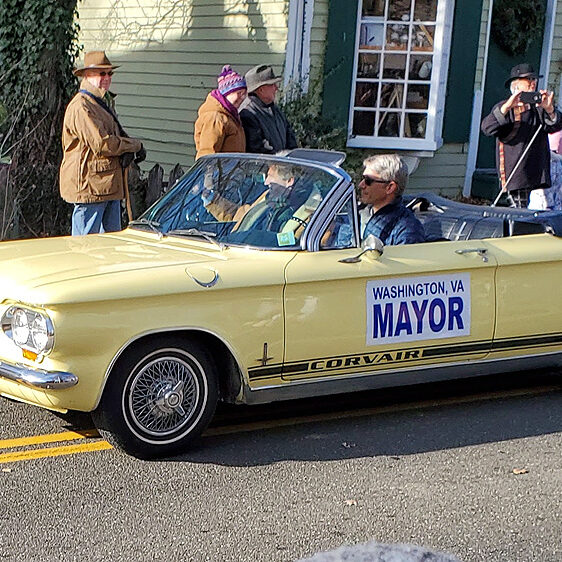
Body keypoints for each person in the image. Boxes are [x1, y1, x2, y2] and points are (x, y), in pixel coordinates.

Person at [60, 51, 146, 236]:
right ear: (86, 75)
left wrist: (129, 147)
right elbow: (102, 143)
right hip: (90, 188)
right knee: (85, 246)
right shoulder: (81, 106)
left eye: (109, 73)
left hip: (108, 186)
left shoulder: (98, 102)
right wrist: (134, 146)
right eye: (101, 73)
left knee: (109, 246)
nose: (107, 78)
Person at [481, 63, 562, 208]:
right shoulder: (505, 107)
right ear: (516, 85)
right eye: (528, 79)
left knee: (538, 214)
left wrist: (550, 109)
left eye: (534, 79)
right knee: (518, 214)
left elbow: (555, 126)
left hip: (537, 172)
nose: (533, 83)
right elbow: (487, 128)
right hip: (517, 173)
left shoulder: (539, 108)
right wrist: (507, 107)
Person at [358, 154, 425, 245]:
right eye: (362, 178)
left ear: (390, 187)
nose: (361, 185)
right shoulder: (356, 214)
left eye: (368, 180)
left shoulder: (408, 229)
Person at [239, 64, 298, 154]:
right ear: (261, 90)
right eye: (272, 85)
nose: (276, 88)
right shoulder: (247, 114)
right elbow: (257, 150)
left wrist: (292, 156)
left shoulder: (275, 109)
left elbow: (290, 139)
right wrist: (279, 159)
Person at [194, 65, 247, 159]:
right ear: (227, 93)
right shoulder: (215, 118)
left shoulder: (231, 116)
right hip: (219, 169)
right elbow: (207, 154)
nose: (242, 97)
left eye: (244, 93)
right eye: (238, 93)